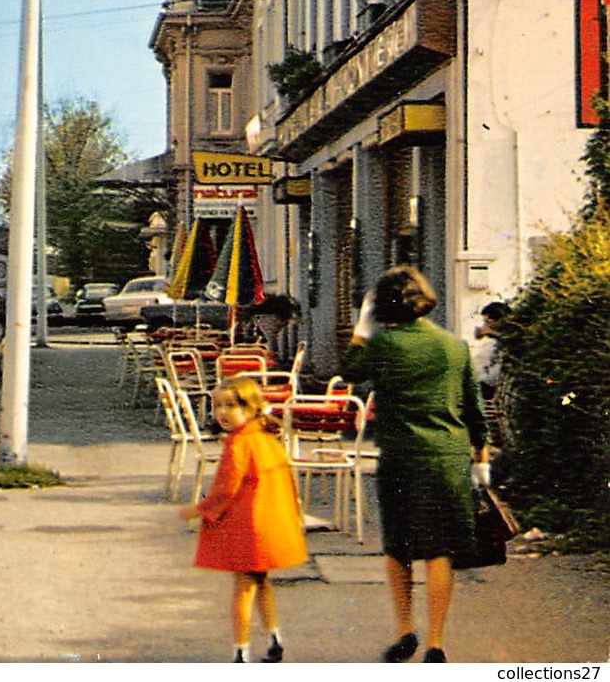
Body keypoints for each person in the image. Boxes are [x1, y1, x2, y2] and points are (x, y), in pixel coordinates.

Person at [340, 266, 489, 663]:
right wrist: (482, 457)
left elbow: (349, 371)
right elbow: (473, 407)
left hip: (401, 457)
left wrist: (362, 328)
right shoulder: (454, 346)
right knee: (439, 550)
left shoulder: (383, 345)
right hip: (447, 458)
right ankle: (436, 642)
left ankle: (404, 630)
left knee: (398, 547)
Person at [177, 374, 308, 663]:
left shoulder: (238, 444)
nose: (222, 413)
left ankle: (241, 651)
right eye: (217, 406)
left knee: (243, 590)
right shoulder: (265, 439)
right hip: (268, 525)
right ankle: (274, 637)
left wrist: (197, 509)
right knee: (261, 583)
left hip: (248, 528)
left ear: (249, 408)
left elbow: (225, 488)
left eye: (230, 406)